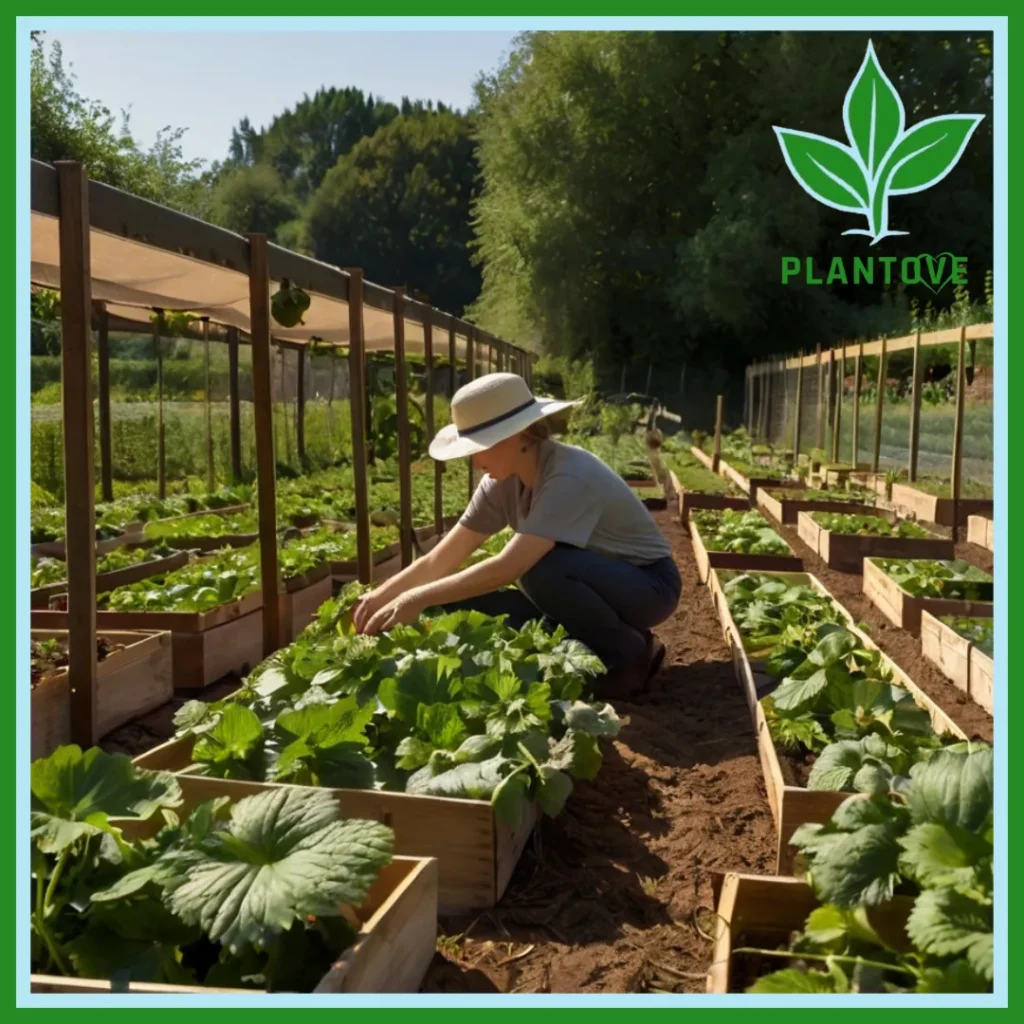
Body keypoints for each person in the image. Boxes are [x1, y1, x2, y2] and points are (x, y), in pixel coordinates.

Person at [353, 372, 682, 695]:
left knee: (540, 570)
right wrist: (382, 597)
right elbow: (442, 559)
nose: (475, 459)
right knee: (462, 600)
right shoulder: (499, 483)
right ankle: (597, 645)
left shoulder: (569, 476)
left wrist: (419, 596)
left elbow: (509, 567)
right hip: (593, 582)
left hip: (649, 586)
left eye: (481, 445)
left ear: (520, 435)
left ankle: (629, 652)